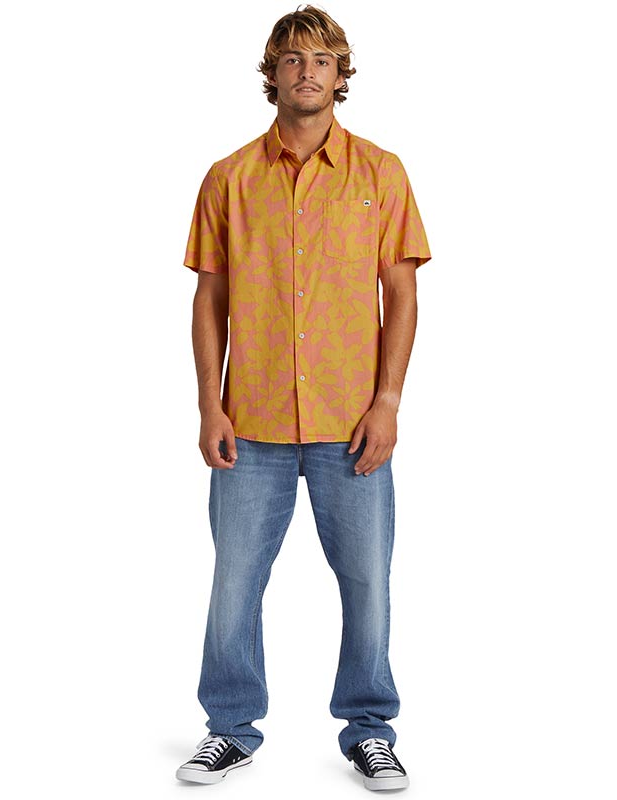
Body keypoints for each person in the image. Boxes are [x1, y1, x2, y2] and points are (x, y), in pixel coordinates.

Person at [175, 5, 431, 791]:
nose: (307, 71)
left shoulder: (381, 173)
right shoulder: (227, 178)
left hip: (351, 424)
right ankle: (230, 728)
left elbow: (401, 293)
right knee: (234, 584)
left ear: (341, 74)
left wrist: (388, 403)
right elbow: (210, 299)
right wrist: (209, 405)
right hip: (249, 421)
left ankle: (369, 729)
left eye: (321, 59)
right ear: (273, 74)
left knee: (368, 582)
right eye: (292, 59)